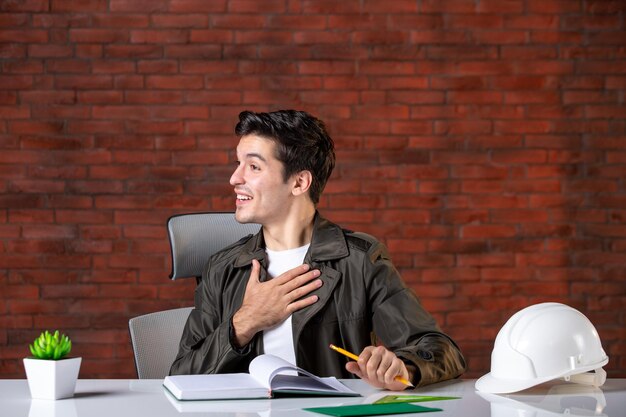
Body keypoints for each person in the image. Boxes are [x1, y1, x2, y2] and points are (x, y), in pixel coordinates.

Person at [170, 110, 466, 389]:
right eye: (238, 164)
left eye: (253, 166)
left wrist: (403, 367)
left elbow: (441, 350)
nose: (235, 178)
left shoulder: (360, 259)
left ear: (299, 182)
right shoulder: (223, 267)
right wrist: (245, 322)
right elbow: (181, 375)